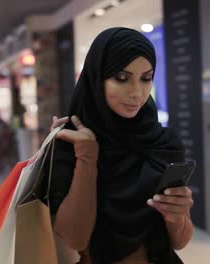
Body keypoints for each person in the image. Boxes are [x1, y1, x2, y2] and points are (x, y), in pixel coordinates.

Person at [44, 28, 194, 263]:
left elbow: (179, 242)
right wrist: (87, 158)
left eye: (146, 78)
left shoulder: (163, 143)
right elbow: (75, 239)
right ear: (96, 78)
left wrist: (178, 214)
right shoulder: (69, 144)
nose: (137, 93)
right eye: (122, 78)